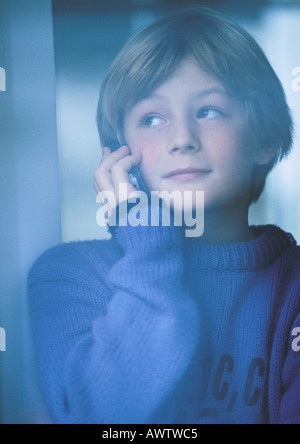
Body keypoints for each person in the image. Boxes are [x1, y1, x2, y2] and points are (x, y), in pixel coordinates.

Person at [27, 7, 300, 424]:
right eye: (152, 118)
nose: (182, 139)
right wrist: (145, 237)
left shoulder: (292, 285)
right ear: (121, 157)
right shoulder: (67, 275)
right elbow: (97, 418)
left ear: (263, 138)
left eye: (209, 111)